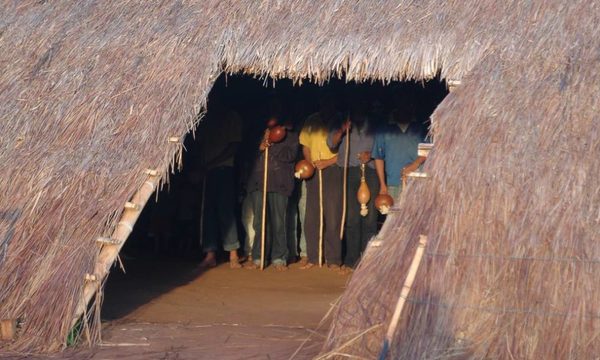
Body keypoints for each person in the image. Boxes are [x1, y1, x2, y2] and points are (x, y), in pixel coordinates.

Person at [327, 100, 379, 269]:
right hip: (348, 172)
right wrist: (343, 130)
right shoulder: (341, 122)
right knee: (351, 218)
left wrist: (370, 154)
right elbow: (331, 144)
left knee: (370, 217)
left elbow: (382, 147)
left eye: (361, 107)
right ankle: (351, 261)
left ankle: (367, 261)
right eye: (355, 108)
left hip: (370, 171)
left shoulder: (375, 123)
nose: (358, 111)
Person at [245, 114, 298, 270]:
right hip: (258, 183)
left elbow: (290, 156)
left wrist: (272, 144)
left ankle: (279, 258)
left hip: (279, 183)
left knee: (279, 222)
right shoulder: (257, 134)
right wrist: (260, 146)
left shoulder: (291, 136)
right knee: (259, 222)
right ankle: (258, 257)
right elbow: (246, 155)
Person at [197, 97, 244, 269]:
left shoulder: (232, 118)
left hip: (225, 169)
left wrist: (212, 163)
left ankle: (233, 253)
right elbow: (200, 143)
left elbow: (233, 147)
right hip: (210, 171)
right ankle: (210, 254)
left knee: (226, 211)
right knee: (209, 212)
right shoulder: (208, 119)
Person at [299, 96, 342, 270]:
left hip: (333, 169)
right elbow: (305, 145)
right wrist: (310, 163)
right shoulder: (311, 120)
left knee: (332, 215)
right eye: (323, 102)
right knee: (312, 215)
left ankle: (333, 260)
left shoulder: (340, 121)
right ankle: (313, 257)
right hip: (314, 169)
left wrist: (328, 162)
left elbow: (346, 150)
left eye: (329, 103)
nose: (326, 106)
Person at [372, 102, 427, 200]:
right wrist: (383, 184)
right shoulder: (383, 129)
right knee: (394, 214)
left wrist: (414, 165)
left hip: (417, 181)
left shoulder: (421, 127)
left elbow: (429, 151)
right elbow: (378, 157)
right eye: (400, 105)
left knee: (415, 214)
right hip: (393, 184)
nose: (403, 109)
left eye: (406, 104)